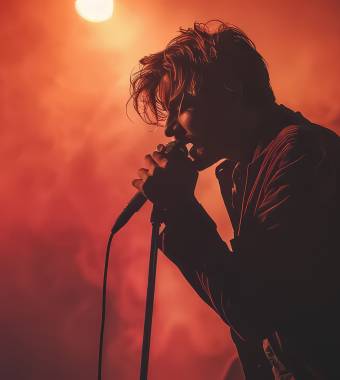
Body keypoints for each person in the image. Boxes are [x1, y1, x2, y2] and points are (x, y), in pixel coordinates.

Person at [130, 21, 339, 379]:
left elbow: (256, 309)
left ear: (231, 89)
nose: (170, 130)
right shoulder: (246, 172)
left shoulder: (299, 155)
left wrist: (181, 210)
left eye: (181, 105)